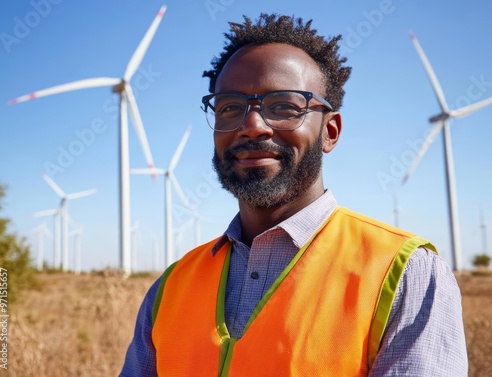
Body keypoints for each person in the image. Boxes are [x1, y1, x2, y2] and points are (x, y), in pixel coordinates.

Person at [120, 14, 467, 376]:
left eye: (284, 106)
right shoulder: (170, 287)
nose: (252, 126)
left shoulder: (406, 275)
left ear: (330, 131)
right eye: (229, 108)